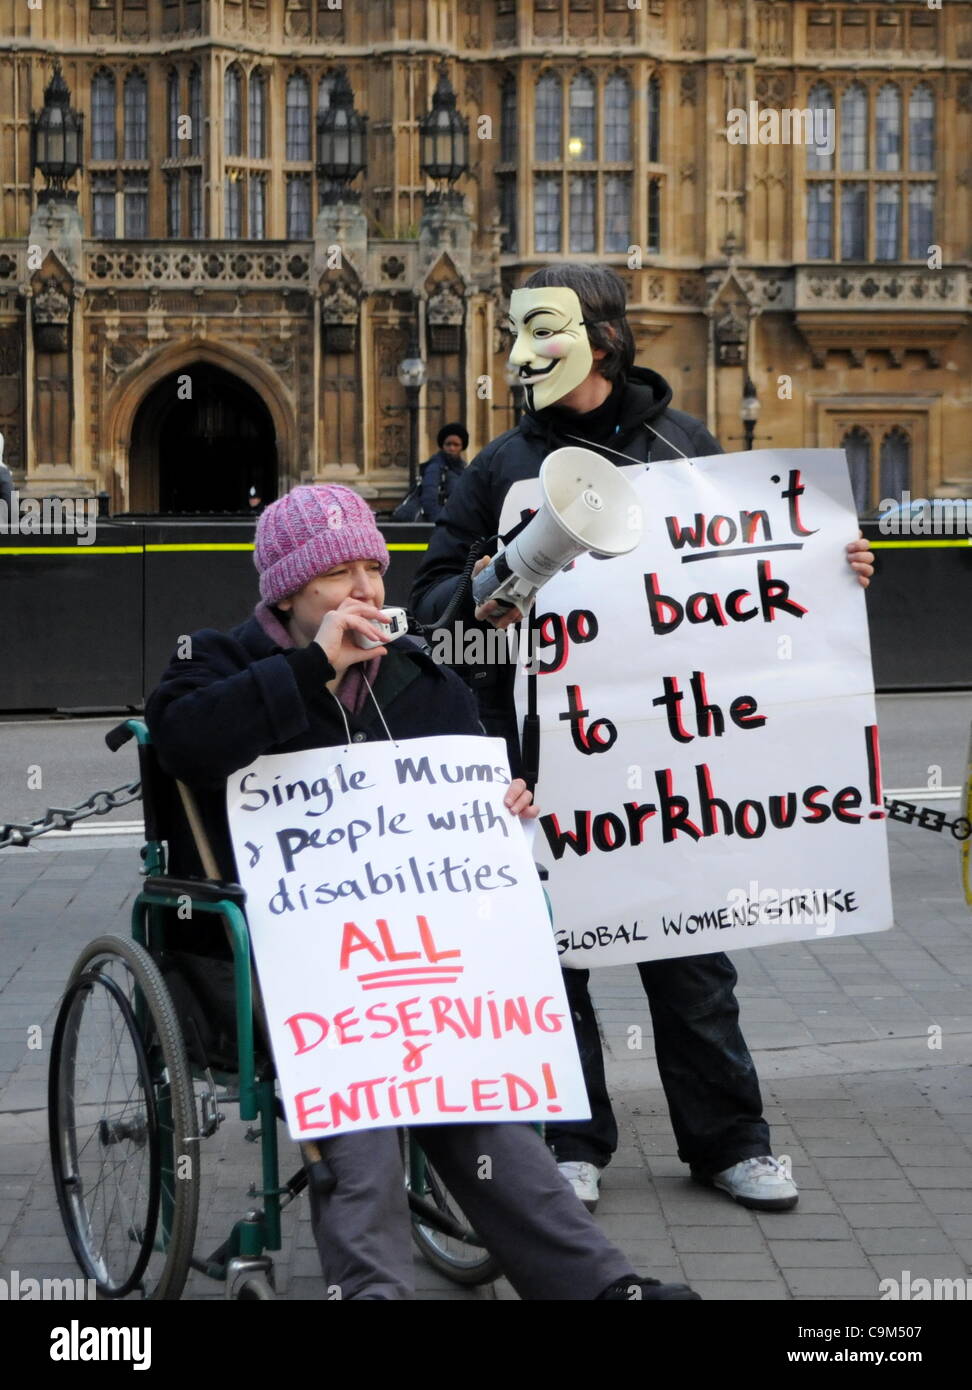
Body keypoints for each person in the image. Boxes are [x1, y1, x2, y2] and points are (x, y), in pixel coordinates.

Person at [144, 482, 700, 1301]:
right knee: (363, 1105)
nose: (367, 589)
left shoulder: (417, 676)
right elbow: (185, 742)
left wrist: (501, 803)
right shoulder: (217, 660)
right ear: (290, 588)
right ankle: (373, 1289)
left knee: (478, 1102)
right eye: (340, 574)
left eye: (374, 567)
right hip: (279, 960)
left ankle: (600, 1287)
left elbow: (464, 790)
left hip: (417, 953)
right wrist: (314, 668)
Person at [411, 263, 875, 1214]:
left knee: (694, 958)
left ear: (604, 337)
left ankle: (730, 1142)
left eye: (544, 332)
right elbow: (432, 610)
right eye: (518, 332)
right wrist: (494, 590)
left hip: (669, 757)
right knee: (557, 963)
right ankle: (572, 1144)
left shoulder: (682, 445)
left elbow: (757, 579)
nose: (522, 353)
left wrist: (839, 568)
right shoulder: (498, 467)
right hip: (542, 759)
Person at [418, 423, 468, 522]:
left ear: (462, 447)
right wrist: (440, 522)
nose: (452, 448)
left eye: (456, 445)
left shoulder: (464, 469)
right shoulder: (435, 467)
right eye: (448, 444)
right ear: (442, 446)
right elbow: (429, 500)